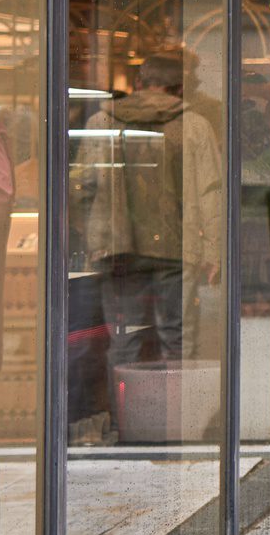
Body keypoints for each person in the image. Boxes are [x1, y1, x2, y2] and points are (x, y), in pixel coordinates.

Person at [78, 51, 223, 424]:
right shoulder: (194, 125)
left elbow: (82, 186)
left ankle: (126, 423)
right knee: (177, 337)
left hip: (117, 248)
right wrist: (214, 251)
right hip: (176, 248)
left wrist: (89, 239)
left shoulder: (102, 121)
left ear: (140, 83)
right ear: (179, 86)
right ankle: (179, 424)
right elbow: (211, 193)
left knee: (123, 340)